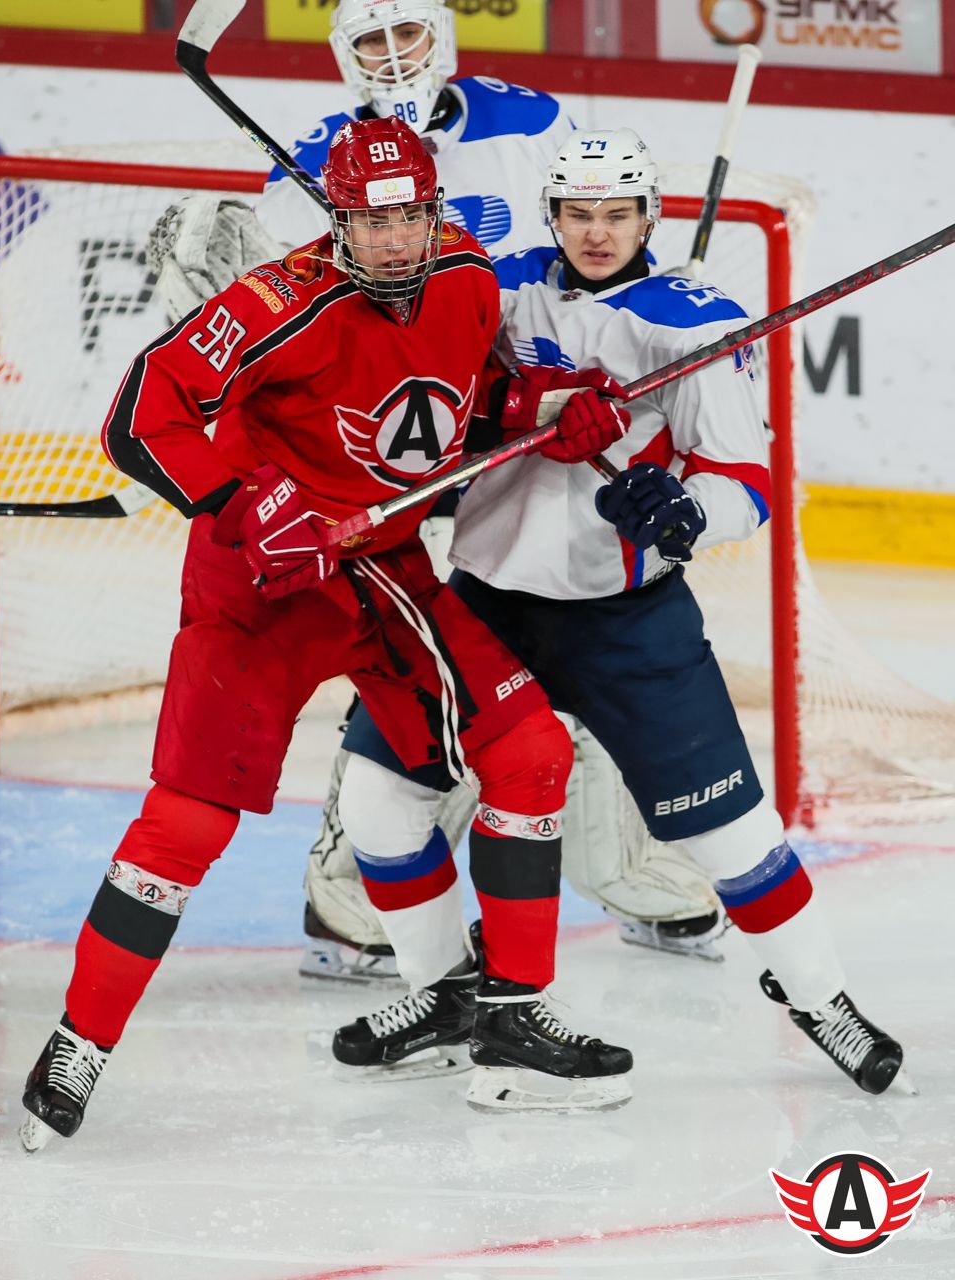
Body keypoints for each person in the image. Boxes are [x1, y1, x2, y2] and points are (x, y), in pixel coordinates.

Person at [19, 118, 638, 1150]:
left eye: (410, 217)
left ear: (434, 211)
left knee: (532, 752)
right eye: (370, 221)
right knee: (187, 827)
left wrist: (546, 409)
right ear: (336, 220)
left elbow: (460, 403)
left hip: (383, 573)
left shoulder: (465, 278)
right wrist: (242, 503)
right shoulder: (277, 304)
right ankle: (80, 1040)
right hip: (259, 590)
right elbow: (140, 418)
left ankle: (509, 1023)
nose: (394, 240)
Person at [328, 128, 909, 1107]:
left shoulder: (694, 324)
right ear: (551, 215)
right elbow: (431, 393)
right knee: (379, 799)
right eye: (577, 213)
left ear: (650, 217)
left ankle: (820, 996)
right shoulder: (494, 288)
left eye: (616, 214)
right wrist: (528, 406)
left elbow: (745, 480)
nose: (596, 233)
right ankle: (449, 994)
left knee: (731, 836)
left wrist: (682, 512)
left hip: (627, 619)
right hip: (484, 603)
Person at [147, 0, 722, 983]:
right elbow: (276, 312)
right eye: (369, 41)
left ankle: (626, 866)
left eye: (405, 33)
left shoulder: (531, 119)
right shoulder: (320, 155)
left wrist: (632, 294)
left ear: (441, 34)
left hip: (521, 408)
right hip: (388, 446)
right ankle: (350, 895)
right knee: (423, 655)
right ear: (344, 54)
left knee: (569, 623)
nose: (392, 57)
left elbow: (586, 230)